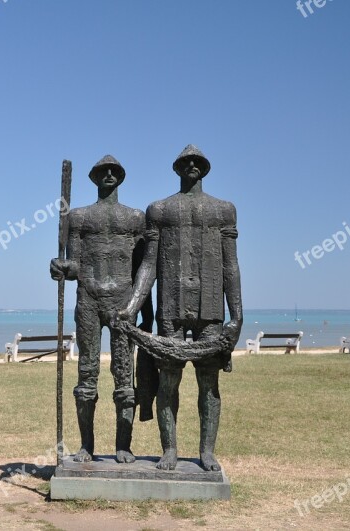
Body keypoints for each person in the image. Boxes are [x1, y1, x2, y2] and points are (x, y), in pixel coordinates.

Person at [120, 145, 243, 472]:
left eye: (197, 162)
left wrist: (237, 315)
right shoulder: (159, 210)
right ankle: (170, 449)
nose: (191, 165)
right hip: (171, 306)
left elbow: (231, 266)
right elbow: (148, 266)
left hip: (210, 306)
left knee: (208, 382)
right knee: (168, 382)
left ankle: (206, 451)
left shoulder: (223, 210)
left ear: (204, 168)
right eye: (186, 162)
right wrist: (131, 307)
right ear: (177, 168)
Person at [50, 155, 150, 464]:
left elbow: (143, 268)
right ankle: (86, 446)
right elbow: (76, 264)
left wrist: (145, 310)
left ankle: (124, 445)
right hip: (89, 301)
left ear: (120, 177)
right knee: (87, 373)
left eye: (113, 171)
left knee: (124, 374)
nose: (108, 175)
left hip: (123, 302)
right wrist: (62, 267)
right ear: (94, 178)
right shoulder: (78, 218)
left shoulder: (135, 218)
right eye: (102, 172)